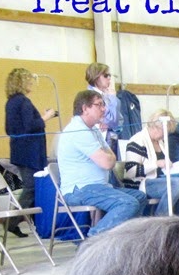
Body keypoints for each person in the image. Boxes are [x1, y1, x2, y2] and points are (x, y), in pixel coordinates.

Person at [57, 90, 147, 236]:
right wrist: (109, 157)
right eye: (99, 105)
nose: (104, 109)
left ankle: (123, 239)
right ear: (85, 108)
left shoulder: (93, 130)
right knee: (128, 203)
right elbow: (107, 162)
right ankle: (95, 239)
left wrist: (108, 157)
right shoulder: (78, 130)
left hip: (98, 187)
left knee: (140, 197)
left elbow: (110, 156)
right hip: (80, 189)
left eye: (103, 105)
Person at [4, 68, 57, 237]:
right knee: (32, 188)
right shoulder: (23, 102)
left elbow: (11, 128)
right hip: (30, 153)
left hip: (19, 152)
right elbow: (30, 126)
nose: (32, 83)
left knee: (31, 188)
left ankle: (35, 222)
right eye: (29, 80)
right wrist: (46, 117)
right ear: (22, 82)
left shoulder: (11, 102)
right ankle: (11, 222)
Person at [123, 109, 179, 216]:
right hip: (141, 182)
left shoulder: (160, 142)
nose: (165, 135)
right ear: (154, 126)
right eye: (164, 131)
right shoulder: (137, 140)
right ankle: (160, 219)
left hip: (159, 179)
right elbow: (131, 171)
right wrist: (156, 164)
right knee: (176, 183)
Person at [85, 62, 123, 154]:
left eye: (110, 75)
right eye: (106, 75)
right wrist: (113, 99)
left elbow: (119, 121)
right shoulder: (90, 96)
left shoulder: (106, 95)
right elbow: (112, 120)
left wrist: (107, 122)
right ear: (96, 77)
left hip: (111, 138)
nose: (109, 78)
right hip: (97, 140)